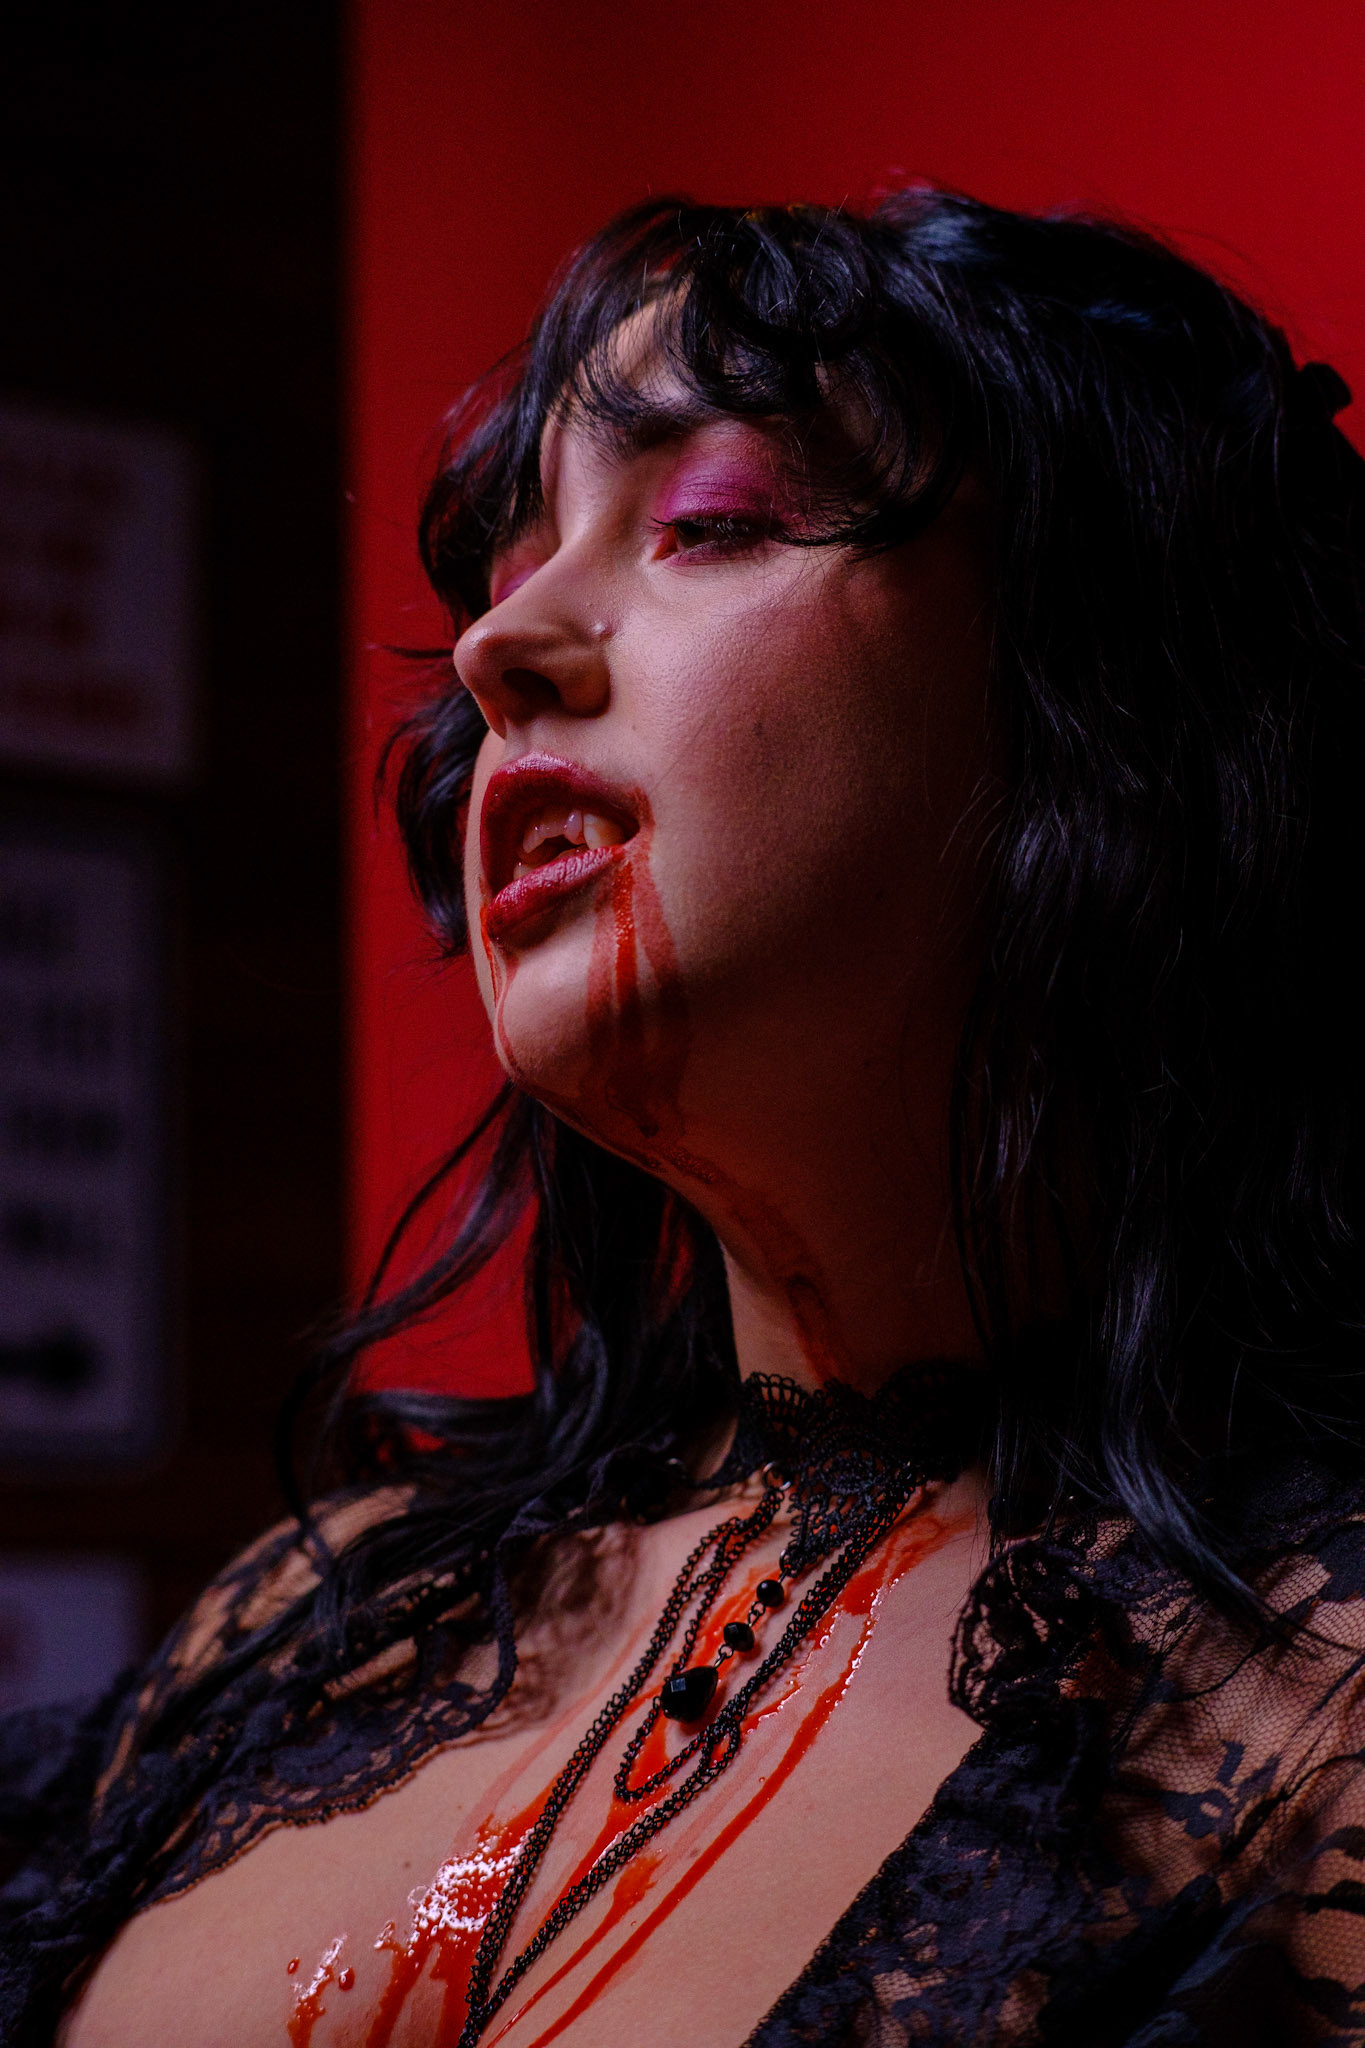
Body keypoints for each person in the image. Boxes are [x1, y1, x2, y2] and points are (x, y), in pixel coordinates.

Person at [6, 187, 1365, 2048]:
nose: (498, 650)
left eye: (710, 522)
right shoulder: (308, 1624)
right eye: (506, 571)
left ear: (1121, 694)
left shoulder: (1317, 1710)